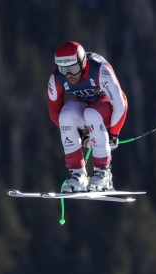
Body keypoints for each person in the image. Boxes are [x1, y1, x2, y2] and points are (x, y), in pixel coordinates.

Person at [47, 41, 128, 192]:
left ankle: (103, 173)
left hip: (107, 107)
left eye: (73, 68)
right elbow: (54, 112)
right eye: (63, 69)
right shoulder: (57, 78)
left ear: (83, 63)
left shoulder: (100, 71)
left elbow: (120, 104)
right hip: (85, 105)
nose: (69, 74)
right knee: (65, 116)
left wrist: (113, 134)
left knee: (92, 114)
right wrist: (80, 134)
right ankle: (77, 174)